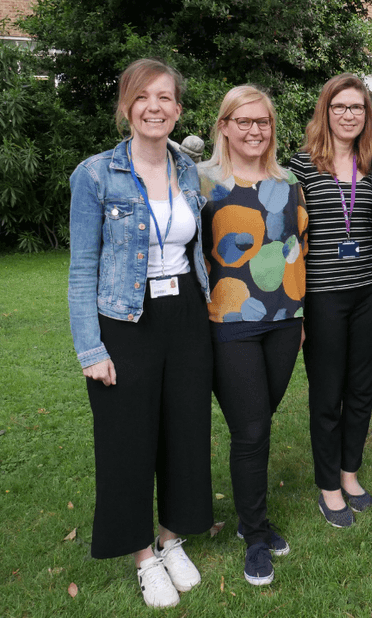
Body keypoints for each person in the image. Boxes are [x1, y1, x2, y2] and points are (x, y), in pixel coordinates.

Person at [68, 58, 212, 609]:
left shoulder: (186, 168)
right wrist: (90, 347)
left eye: (165, 97)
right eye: (143, 97)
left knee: (184, 430)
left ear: (177, 108)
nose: (155, 107)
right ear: (127, 106)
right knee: (126, 442)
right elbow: (82, 268)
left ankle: (172, 539)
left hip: (185, 317)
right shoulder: (94, 174)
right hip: (125, 320)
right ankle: (143, 557)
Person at [198, 85, 308, 585]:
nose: (254, 130)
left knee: (261, 420)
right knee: (251, 431)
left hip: (284, 322)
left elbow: (295, 248)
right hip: (228, 322)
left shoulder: (287, 183)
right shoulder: (201, 184)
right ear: (223, 126)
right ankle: (256, 534)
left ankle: (250, 519)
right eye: (243, 121)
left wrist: (299, 316)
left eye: (262, 121)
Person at [289, 74, 372, 528]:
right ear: (325, 112)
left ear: (367, 116)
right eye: (340, 107)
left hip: (370, 289)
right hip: (323, 296)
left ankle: (350, 473)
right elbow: (289, 240)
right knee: (327, 393)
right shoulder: (301, 167)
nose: (349, 115)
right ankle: (328, 485)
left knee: (361, 389)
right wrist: (295, 309)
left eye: (358, 108)